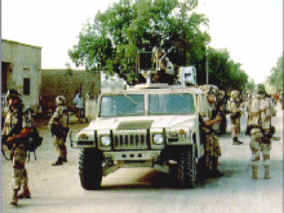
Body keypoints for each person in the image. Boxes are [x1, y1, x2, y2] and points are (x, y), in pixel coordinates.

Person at [3, 89, 32, 206]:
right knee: (21, 167)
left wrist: (14, 138)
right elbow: (6, 129)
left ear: (17, 100)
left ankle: (15, 195)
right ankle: (25, 190)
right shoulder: (9, 113)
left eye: (12, 99)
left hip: (21, 144)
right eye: (9, 99)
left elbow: (28, 129)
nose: (10, 101)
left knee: (16, 168)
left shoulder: (24, 113)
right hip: (12, 145)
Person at [246, 84, 276, 179]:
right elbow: (274, 113)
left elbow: (248, 112)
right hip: (266, 130)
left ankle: (255, 174)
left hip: (254, 130)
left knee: (255, 152)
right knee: (266, 152)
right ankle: (267, 174)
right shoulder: (268, 101)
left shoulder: (251, 100)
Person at [199, 85, 223, 178]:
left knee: (216, 151)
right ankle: (209, 171)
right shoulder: (203, 107)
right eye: (212, 95)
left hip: (211, 132)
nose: (214, 98)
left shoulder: (211, 106)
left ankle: (213, 169)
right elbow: (206, 123)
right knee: (210, 153)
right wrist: (216, 120)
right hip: (207, 132)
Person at [49, 95, 69, 166]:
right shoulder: (65, 109)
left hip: (59, 128)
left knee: (58, 143)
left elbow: (55, 118)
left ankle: (60, 158)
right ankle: (64, 156)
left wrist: (52, 124)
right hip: (64, 128)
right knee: (62, 143)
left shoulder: (60, 109)